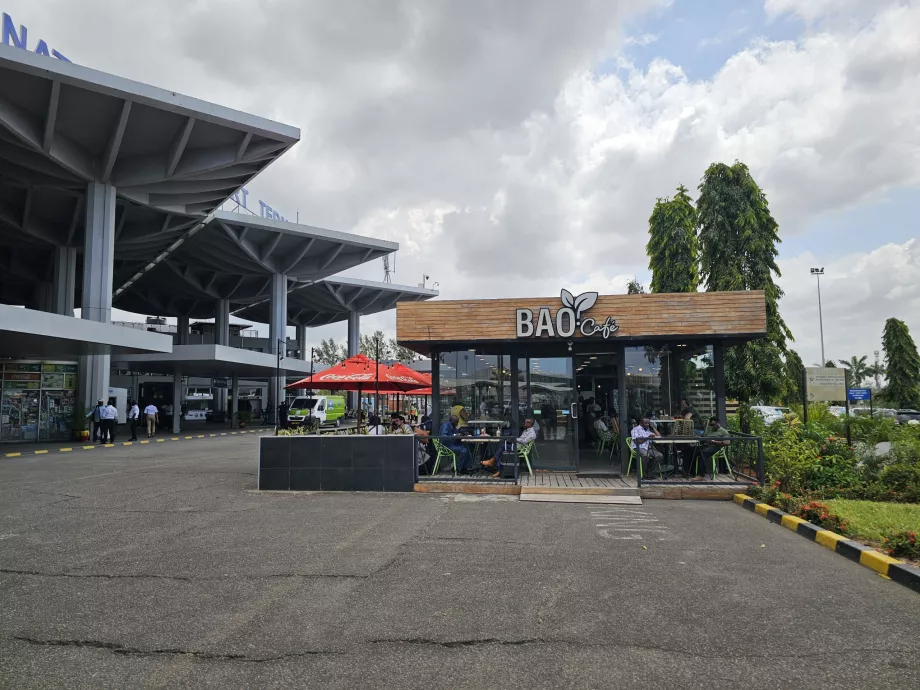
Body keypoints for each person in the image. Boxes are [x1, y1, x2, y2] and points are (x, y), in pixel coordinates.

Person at [692, 416, 732, 481]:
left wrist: (714, 441)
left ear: (718, 423)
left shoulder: (723, 431)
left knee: (703, 453)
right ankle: (690, 472)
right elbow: (703, 439)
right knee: (689, 450)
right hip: (706, 445)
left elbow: (727, 442)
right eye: (710, 425)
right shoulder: (709, 430)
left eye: (713, 424)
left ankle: (701, 475)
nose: (712, 426)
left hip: (716, 447)